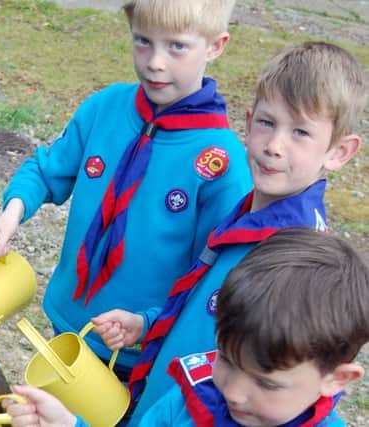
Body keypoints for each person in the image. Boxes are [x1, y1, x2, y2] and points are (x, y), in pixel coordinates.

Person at [90, 40, 369, 425]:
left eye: (301, 133)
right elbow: (206, 309)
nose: (274, 146)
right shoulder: (246, 212)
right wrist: (148, 324)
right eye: (267, 123)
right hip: (166, 406)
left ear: (338, 151)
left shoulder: (294, 261)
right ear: (249, 119)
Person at [0, 0, 251, 376]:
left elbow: (215, 277)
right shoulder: (104, 108)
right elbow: (46, 168)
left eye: (177, 46)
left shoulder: (223, 162)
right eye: (143, 41)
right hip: (68, 324)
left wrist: (147, 324)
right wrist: (14, 209)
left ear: (216, 46)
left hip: (138, 352)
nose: (155, 62)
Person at [4, 229, 369, 426]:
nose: (235, 393)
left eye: (266, 382)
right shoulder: (188, 400)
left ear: (336, 379)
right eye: (226, 359)